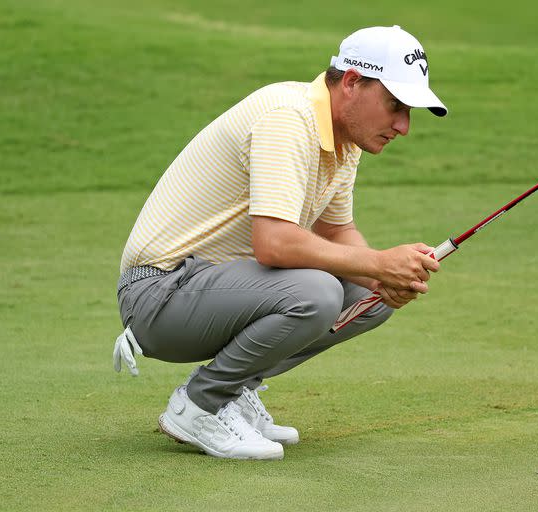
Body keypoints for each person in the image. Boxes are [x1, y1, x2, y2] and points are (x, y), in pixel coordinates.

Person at [112, 25, 447, 460]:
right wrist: (380, 262)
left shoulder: (343, 141)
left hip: (210, 290)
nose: (403, 126)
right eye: (395, 106)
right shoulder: (288, 116)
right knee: (319, 292)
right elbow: (273, 244)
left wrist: (382, 275)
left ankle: (233, 391)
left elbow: (336, 231)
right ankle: (200, 406)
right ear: (351, 82)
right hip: (159, 294)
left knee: (367, 294)